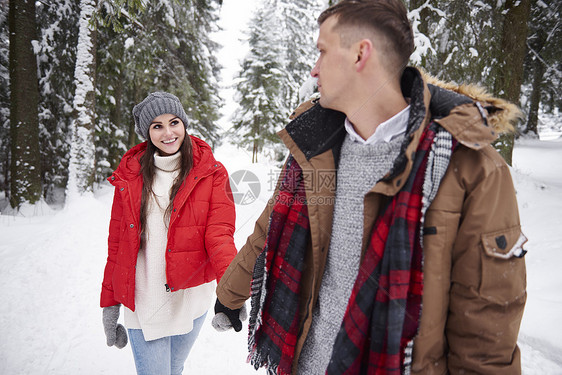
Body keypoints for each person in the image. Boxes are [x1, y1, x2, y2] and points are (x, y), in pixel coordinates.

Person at [212, 1, 527, 374]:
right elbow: (270, 228)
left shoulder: (470, 169)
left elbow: (484, 335)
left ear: (361, 53)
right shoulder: (317, 142)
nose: (314, 69)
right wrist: (229, 294)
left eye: (322, 52)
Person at [100, 92, 237, 375]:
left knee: (174, 368)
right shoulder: (130, 175)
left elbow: (220, 236)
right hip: (144, 298)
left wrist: (230, 294)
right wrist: (110, 302)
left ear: (184, 123)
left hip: (191, 298)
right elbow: (117, 246)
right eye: (157, 126)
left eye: (174, 122)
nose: (168, 132)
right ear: (147, 133)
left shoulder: (212, 173)